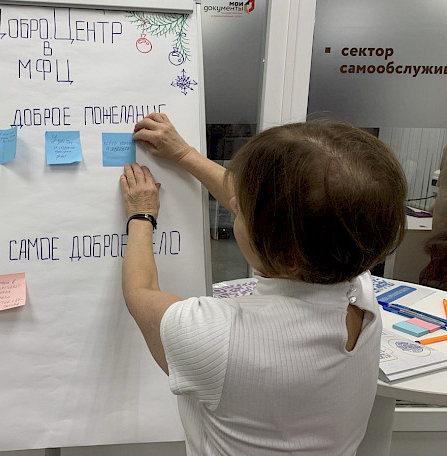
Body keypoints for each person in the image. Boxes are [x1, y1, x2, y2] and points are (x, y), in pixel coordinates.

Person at [119, 113, 407, 455]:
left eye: (241, 211)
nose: (233, 204)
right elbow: (291, 213)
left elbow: (140, 292)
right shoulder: (358, 285)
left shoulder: (217, 336)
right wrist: (184, 155)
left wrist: (142, 214)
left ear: (282, 250)